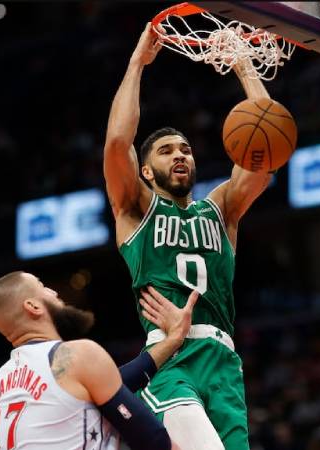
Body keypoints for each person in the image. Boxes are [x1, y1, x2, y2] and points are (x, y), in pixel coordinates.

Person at [103, 23, 277, 450]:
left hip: (223, 361)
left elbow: (267, 142)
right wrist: (137, 64)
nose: (180, 154)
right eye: (166, 151)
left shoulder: (222, 208)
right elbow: (116, 143)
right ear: (146, 171)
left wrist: (244, 67)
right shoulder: (136, 208)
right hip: (170, 359)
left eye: (185, 149)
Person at [0, 270, 199, 450]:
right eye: (42, 287)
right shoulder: (77, 355)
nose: (53, 291)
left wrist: (172, 341)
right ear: (33, 306)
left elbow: (104, 385)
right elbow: (154, 440)